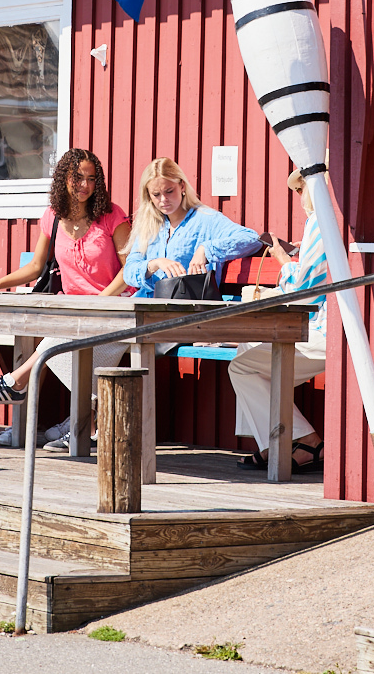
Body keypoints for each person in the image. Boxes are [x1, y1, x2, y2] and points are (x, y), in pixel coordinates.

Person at [0, 149, 130, 450]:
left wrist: (100, 301)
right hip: (72, 310)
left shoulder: (111, 216)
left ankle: (17, 383)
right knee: (58, 334)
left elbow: (130, 269)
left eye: (91, 179)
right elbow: (35, 266)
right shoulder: (52, 216)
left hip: (113, 308)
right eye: (77, 177)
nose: (85, 185)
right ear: (63, 178)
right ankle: (83, 420)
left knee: (55, 338)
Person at [228, 169, 329, 473]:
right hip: (348, 328)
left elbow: (305, 294)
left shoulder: (321, 221)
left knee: (242, 365)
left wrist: (283, 261)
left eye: (301, 190)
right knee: (248, 349)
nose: (300, 199)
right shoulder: (336, 220)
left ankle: (307, 441)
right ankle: (272, 443)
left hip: (326, 330)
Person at [118, 156, 267, 293]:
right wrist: (155, 264)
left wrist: (206, 249)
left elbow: (251, 239)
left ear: (182, 186)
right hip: (146, 304)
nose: (163, 199)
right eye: (156, 194)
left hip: (188, 307)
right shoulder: (149, 226)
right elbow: (129, 272)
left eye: (169, 191)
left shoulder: (205, 219)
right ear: (148, 196)